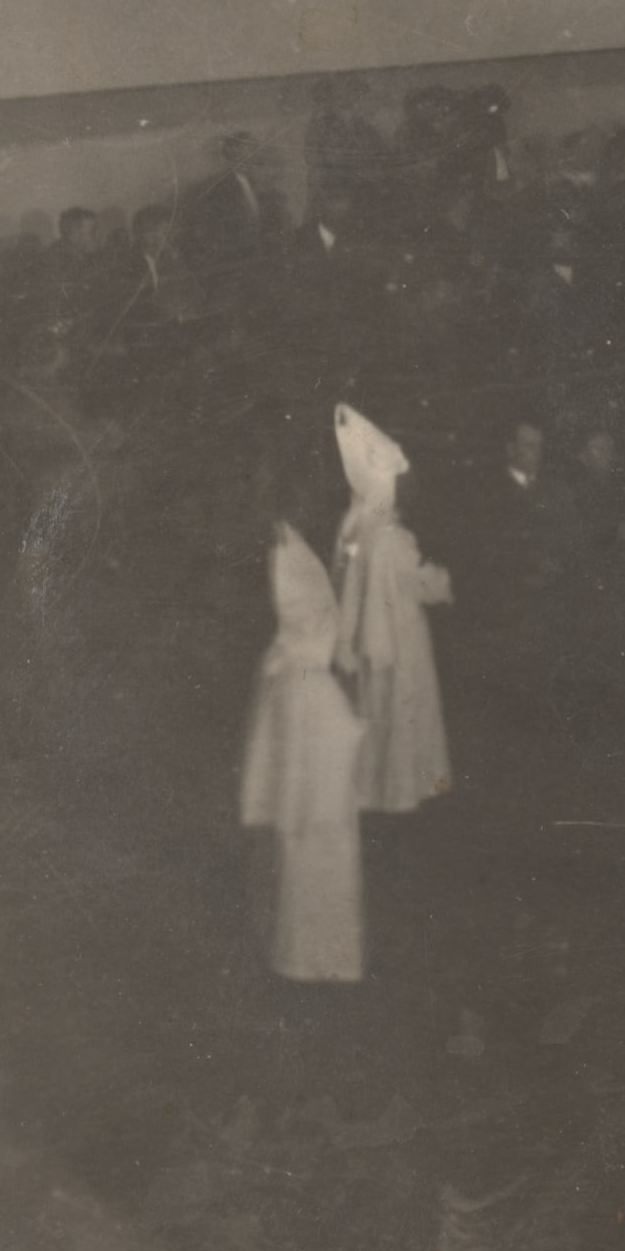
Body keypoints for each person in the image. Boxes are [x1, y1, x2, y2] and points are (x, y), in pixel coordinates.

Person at [241, 522, 367, 986]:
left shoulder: (300, 544)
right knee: (302, 830)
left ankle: (313, 955)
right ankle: (301, 955)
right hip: (305, 698)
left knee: (311, 831)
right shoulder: (286, 545)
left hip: (309, 699)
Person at [328, 405, 453, 812]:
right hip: (403, 643)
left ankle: (378, 790)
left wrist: (345, 641)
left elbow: (349, 595)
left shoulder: (362, 535)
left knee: (379, 714)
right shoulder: (396, 542)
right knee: (405, 714)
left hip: (373, 644)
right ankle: (404, 792)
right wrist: (445, 581)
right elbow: (424, 584)